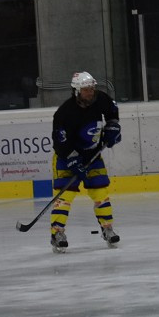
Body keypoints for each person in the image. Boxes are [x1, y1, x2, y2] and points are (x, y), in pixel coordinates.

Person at [49, 71, 123, 253]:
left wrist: (113, 126)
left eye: (92, 88)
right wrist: (73, 161)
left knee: (100, 192)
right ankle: (57, 233)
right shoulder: (64, 113)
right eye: (86, 90)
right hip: (66, 158)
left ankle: (107, 229)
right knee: (64, 197)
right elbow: (60, 142)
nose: (90, 92)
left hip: (93, 154)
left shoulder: (101, 99)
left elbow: (112, 112)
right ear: (76, 91)